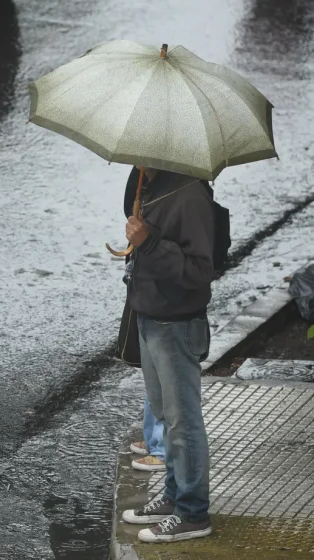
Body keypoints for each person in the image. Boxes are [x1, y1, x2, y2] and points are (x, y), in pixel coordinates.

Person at [120, 166, 214, 543]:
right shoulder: (150, 180)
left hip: (175, 325)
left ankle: (192, 513)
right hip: (150, 317)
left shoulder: (190, 195)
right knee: (164, 414)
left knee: (183, 422)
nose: (138, 158)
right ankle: (175, 497)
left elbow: (199, 272)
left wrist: (149, 242)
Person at [123, 167, 167, 474]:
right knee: (152, 374)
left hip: (166, 301)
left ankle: (163, 447)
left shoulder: (182, 192)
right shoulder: (151, 178)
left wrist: (146, 240)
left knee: (163, 374)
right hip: (148, 290)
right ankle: (155, 439)